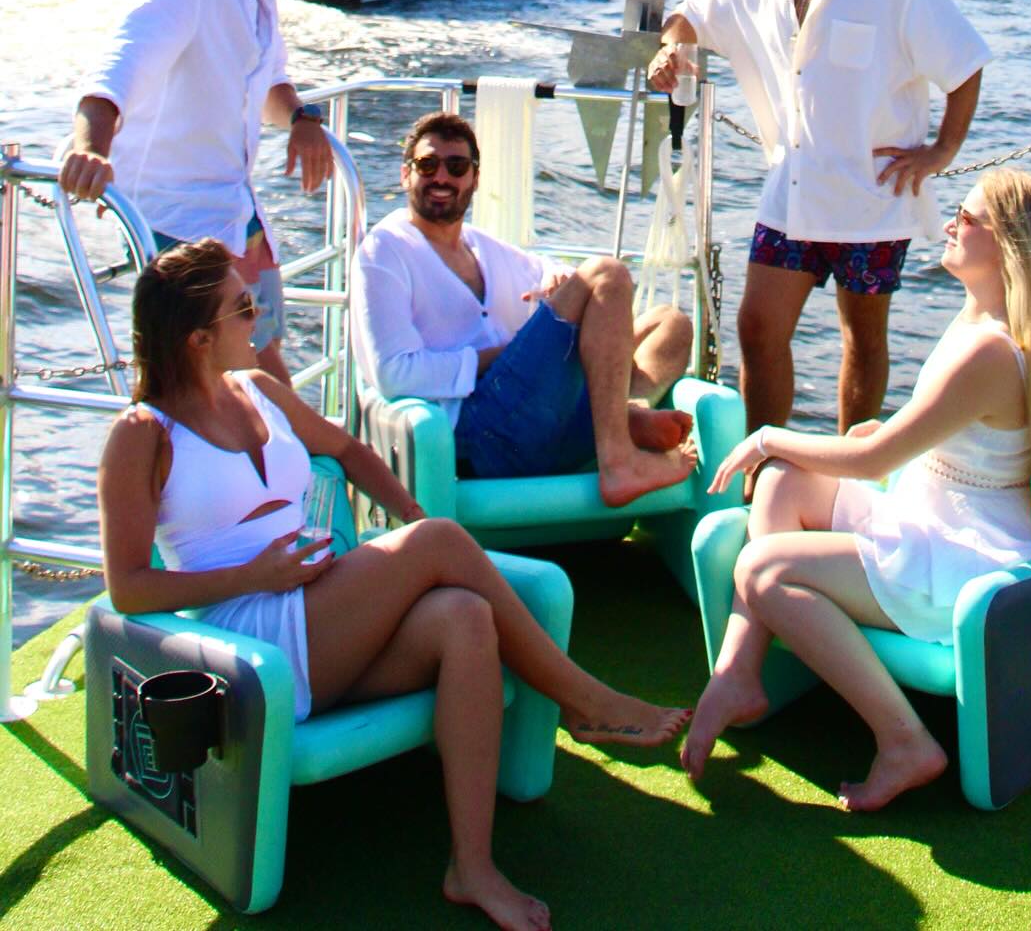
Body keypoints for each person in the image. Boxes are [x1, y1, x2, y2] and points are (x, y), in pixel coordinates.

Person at [98, 239, 690, 930]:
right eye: (243, 308)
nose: (257, 319)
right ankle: (583, 700)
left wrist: (408, 518)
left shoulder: (257, 388)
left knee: (464, 615)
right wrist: (256, 574)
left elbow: (347, 450)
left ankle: (472, 866)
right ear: (199, 339)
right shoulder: (144, 434)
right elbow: (130, 587)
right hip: (250, 640)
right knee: (441, 543)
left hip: (320, 611)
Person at [681, 169, 1031, 810]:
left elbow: (872, 457)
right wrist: (877, 431)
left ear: (1007, 244)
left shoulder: (989, 350)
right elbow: (937, 441)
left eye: (967, 216)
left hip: (960, 562)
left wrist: (766, 438)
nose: (950, 223)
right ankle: (741, 671)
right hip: (931, 520)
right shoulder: (982, 326)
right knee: (786, 485)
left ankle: (904, 740)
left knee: (764, 566)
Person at [648, 0, 991, 433]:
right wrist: (669, 50)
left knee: (862, 339)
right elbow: (687, 17)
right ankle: (764, 465)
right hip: (791, 195)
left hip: (872, 200)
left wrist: (941, 152)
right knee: (757, 329)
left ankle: (847, 474)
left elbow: (965, 65)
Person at [58, 0, 349, 385]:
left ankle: (295, 459)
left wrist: (303, 119)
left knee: (266, 359)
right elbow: (110, 77)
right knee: (213, 390)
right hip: (180, 226)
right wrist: (91, 151)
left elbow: (271, 86)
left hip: (237, 212)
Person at [352, 112, 699, 505]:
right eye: (427, 165)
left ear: (475, 178)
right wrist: (496, 358)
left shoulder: (480, 246)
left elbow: (549, 271)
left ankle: (623, 415)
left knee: (670, 324)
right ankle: (618, 462)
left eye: (457, 166)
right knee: (607, 274)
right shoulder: (385, 251)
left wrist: (561, 280)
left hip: (537, 414)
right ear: (405, 175)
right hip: (478, 428)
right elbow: (393, 373)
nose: (442, 178)